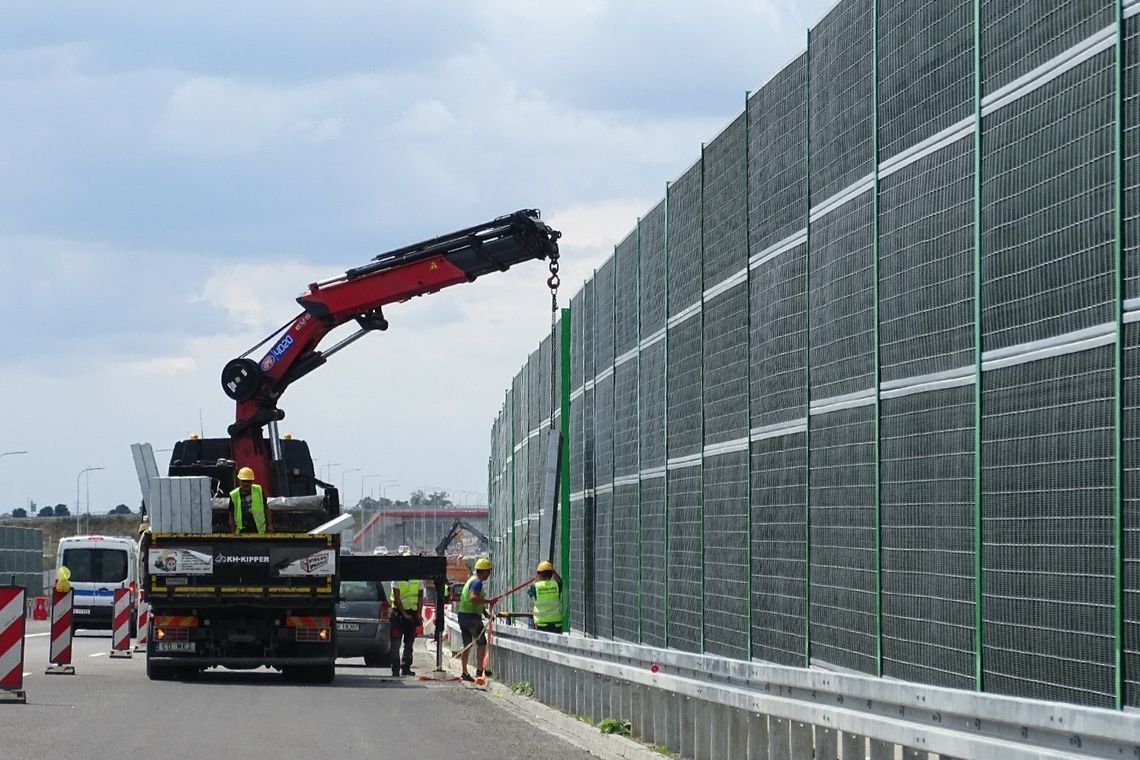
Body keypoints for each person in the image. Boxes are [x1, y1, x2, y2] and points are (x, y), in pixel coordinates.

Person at [457, 556, 497, 682]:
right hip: (472, 618)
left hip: (463, 615)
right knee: (482, 643)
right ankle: (480, 670)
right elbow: (473, 598)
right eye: (488, 571)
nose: (489, 574)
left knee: (467, 645)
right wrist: (488, 601)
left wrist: (485, 613)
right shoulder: (477, 582)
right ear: (482, 571)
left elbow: (473, 601)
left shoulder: (471, 580)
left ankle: (464, 672)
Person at [390, 551, 423, 677]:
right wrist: (404, 614)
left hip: (411, 614)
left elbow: (420, 596)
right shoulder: (397, 577)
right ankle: (395, 668)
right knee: (396, 643)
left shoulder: (417, 578)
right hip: (398, 614)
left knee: (409, 643)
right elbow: (397, 597)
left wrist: (419, 613)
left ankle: (405, 668)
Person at [229, 467, 272, 534]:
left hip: (259, 531)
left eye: (248, 481)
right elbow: (231, 515)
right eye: (243, 481)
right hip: (241, 532)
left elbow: (266, 508)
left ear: (252, 481)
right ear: (239, 481)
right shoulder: (234, 495)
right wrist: (233, 533)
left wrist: (269, 526)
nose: (246, 484)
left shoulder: (258, 490)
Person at [527, 560, 564, 633]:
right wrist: (552, 569)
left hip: (541, 623)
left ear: (539, 574)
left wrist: (536, 579)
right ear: (551, 574)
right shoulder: (556, 585)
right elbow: (560, 581)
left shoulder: (535, 587)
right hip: (556, 623)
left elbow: (529, 592)